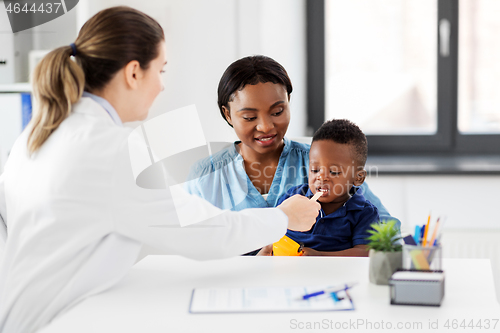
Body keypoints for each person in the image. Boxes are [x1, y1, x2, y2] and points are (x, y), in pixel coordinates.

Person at [0, 7, 320, 333]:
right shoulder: (113, 148)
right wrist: (283, 217)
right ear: (134, 73)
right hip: (52, 321)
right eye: (161, 70)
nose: (162, 86)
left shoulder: (40, 131)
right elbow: (202, 231)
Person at [185, 55, 399, 225]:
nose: (266, 126)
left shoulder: (326, 164)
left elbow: (386, 231)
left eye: (277, 111)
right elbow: (189, 248)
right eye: (250, 117)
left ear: (288, 102)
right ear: (228, 114)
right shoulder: (204, 177)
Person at [276, 119, 379, 257]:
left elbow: (365, 253)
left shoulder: (364, 213)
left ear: (358, 177)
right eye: (315, 169)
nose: (321, 177)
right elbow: (271, 234)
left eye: (334, 172)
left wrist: (320, 256)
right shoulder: (292, 198)